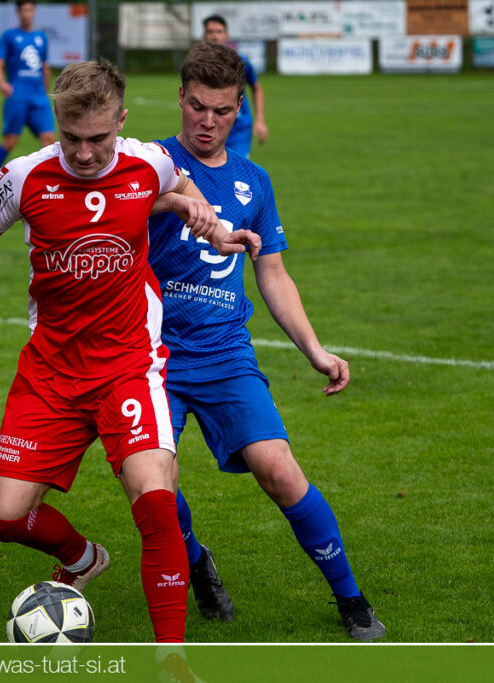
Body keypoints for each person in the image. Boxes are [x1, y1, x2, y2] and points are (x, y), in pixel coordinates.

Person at [0, 59, 261, 643]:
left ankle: (172, 661)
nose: (86, 153)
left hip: (128, 365)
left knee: (156, 501)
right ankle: (82, 558)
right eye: (72, 138)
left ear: (121, 121)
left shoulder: (150, 161)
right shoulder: (25, 176)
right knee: (4, 516)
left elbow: (182, 190)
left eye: (99, 138)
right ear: (57, 123)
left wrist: (217, 230)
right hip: (51, 371)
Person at [146, 41, 386, 641]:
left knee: (278, 470)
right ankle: (197, 562)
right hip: (151, 355)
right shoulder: (148, 164)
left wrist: (315, 350)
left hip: (225, 352)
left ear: (240, 110)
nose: (207, 121)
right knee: (154, 488)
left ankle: (351, 599)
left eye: (222, 111)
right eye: (197, 106)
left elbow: (272, 273)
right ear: (180, 98)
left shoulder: (254, 181)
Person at [0, 0, 56, 191]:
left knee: (49, 141)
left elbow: (44, 66)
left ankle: (48, 187)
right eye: (23, 10)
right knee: (10, 141)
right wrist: (2, 84)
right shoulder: (9, 36)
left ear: (34, 11)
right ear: (18, 12)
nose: (26, 14)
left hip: (38, 98)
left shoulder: (41, 37)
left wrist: (46, 90)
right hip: (17, 97)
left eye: (29, 10)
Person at [201, 14, 268, 158]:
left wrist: (260, 120)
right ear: (204, 35)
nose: (214, 36)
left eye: (219, 31)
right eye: (210, 32)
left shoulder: (240, 62)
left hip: (238, 128)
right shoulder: (198, 65)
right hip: (208, 128)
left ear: (226, 35)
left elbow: (256, 88)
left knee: (236, 168)